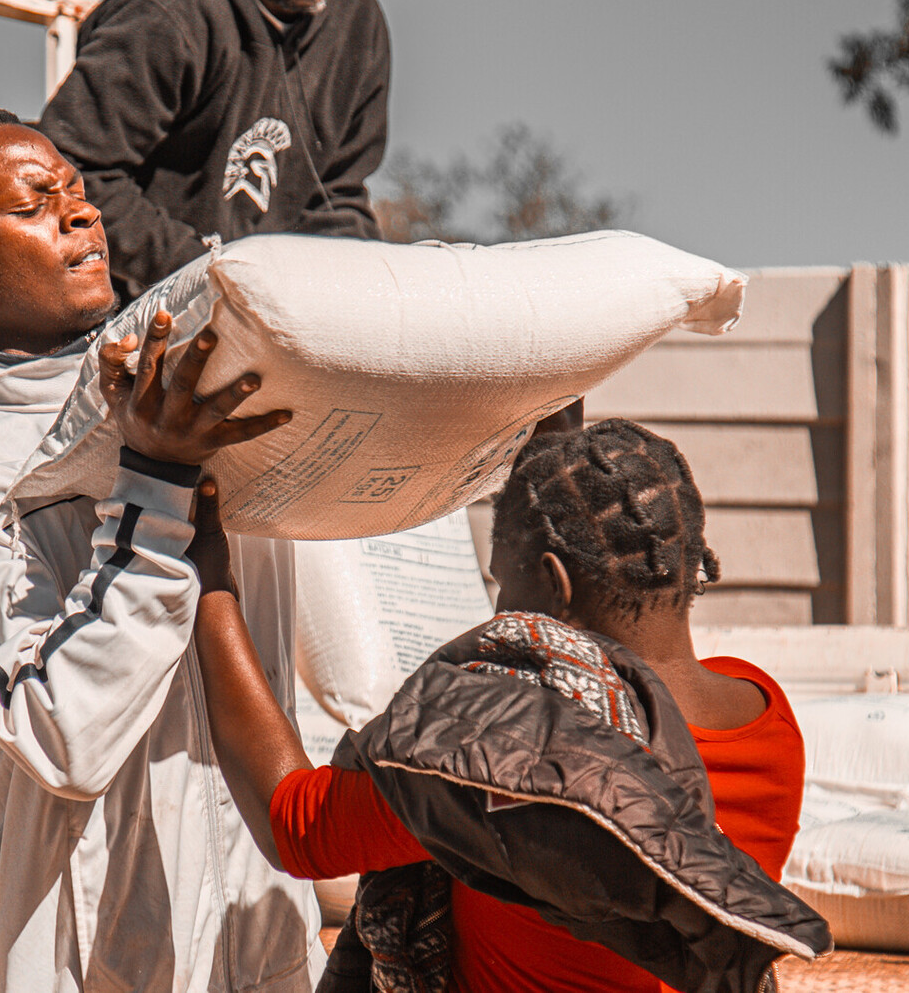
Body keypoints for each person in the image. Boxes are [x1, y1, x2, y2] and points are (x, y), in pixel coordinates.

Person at [0, 107, 323, 993]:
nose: (81, 216)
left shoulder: (217, 400)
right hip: (81, 961)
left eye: (79, 195)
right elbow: (62, 735)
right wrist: (153, 482)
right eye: (36, 203)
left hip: (259, 944)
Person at [188, 419, 817, 993]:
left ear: (554, 582)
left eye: (505, 583)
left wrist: (211, 581)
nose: (497, 614)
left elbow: (295, 824)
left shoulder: (501, 760)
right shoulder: (766, 713)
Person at [38, 0, 390, 299]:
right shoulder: (168, 15)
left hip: (268, 313)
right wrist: (211, 274)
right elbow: (71, 175)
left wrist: (350, 300)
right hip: (141, 312)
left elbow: (339, 197)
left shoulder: (357, 21)